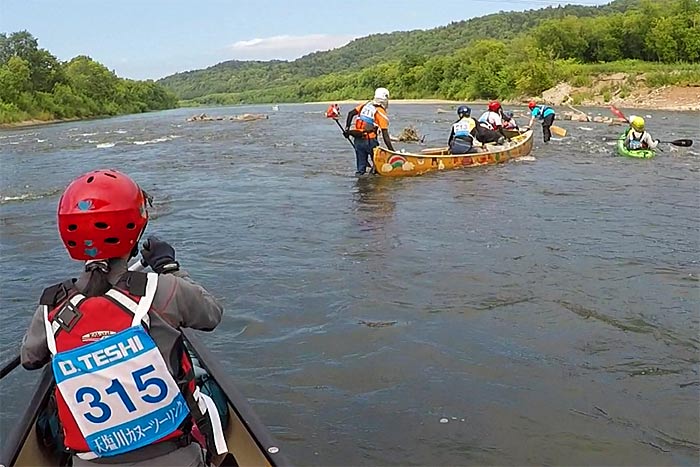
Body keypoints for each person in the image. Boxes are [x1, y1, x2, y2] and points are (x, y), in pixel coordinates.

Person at [20, 169, 226, 466]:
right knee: (209, 397)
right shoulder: (164, 289)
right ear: (135, 228)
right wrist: (168, 266)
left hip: (88, 461)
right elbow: (211, 315)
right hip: (176, 456)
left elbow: (29, 357)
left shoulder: (52, 305)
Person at [344, 87, 395, 175]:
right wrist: (392, 151)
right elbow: (385, 135)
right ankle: (373, 181)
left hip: (358, 140)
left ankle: (361, 185)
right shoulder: (380, 112)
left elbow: (350, 113)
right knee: (378, 166)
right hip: (370, 142)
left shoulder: (365, 105)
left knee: (360, 170)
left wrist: (347, 129)